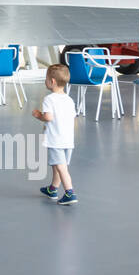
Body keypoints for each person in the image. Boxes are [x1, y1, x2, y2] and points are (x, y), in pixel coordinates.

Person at [32, 63, 78, 205]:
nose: (45, 81)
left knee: (61, 167)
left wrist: (38, 114)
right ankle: (53, 189)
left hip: (55, 140)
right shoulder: (69, 100)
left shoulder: (49, 99)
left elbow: (48, 117)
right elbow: (72, 117)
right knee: (58, 165)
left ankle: (70, 193)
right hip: (68, 140)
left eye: (46, 78)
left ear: (52, 81)